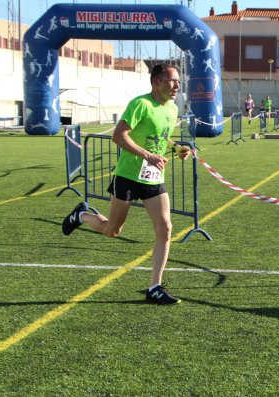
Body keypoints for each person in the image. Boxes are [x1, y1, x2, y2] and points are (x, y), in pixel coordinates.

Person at [61, 63, 190, 305]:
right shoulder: (141, 104)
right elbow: (118, 135)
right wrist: (147, 155)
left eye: (178, 82)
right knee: (113, 230)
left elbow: (161, 136)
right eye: (172, 81)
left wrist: (176, 147)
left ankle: (154, 287)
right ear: (157, 82)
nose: (176, 86)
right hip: (129, 175)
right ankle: (83, 216)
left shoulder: (172, 109)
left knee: (165, 228)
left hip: (153, 178)